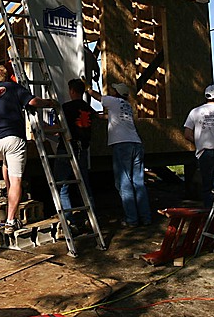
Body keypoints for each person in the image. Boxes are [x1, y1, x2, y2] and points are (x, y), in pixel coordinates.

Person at [0, 64, 56, 233]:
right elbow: (32, 102)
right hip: (13, 138)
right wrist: (49, 102)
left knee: (6, 163)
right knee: (17, 181)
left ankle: (10, 194)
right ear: (7, 76)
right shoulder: (14, 87)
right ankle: (10, 221)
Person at [87, 81, 152, 227]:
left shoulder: (113, 101)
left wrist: (88, 89)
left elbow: (98, 97)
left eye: (113, 90)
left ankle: (132, 220)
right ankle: (145, 218)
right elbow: (110, 117)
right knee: (138, 183)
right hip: (136, 143)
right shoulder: (126, 105)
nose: (111, 91)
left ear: (116, 93)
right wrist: (95, 115)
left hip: (122, 145)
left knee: (124, 183)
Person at [54, 79, 97, 231]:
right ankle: (91, 219)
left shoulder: (66, 108)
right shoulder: (88, 108)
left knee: (63, 186)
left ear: (71, 91)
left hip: (67, 149)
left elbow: (58, 128)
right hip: (83, 150)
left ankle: (69, 222)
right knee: (84, 185)